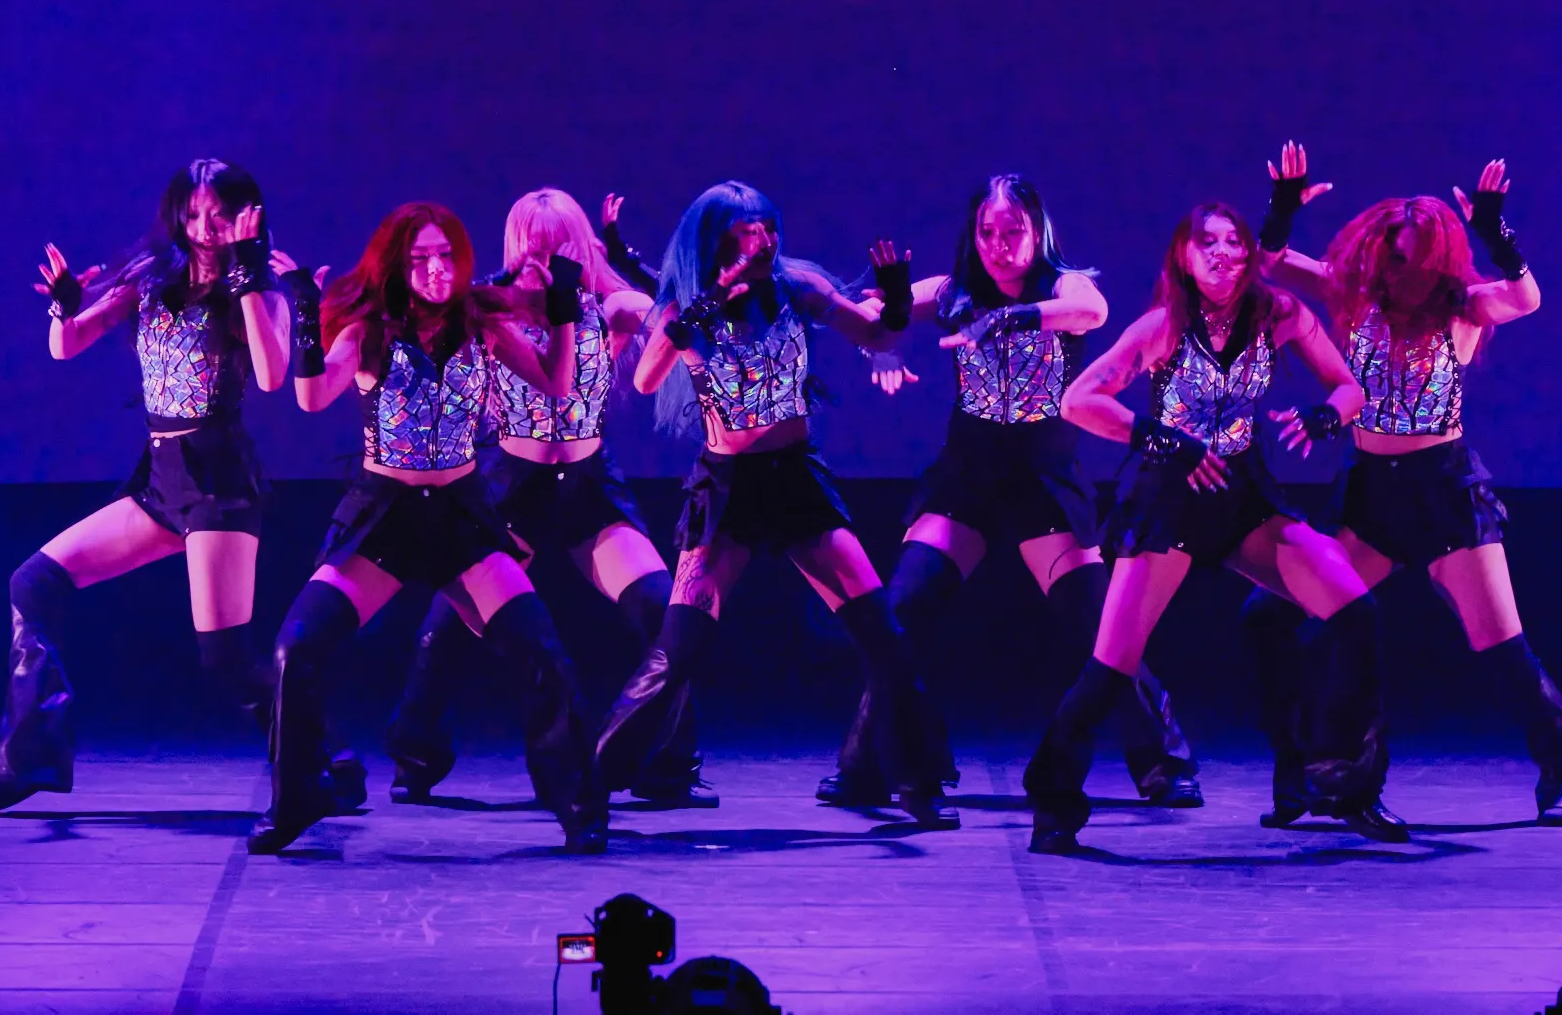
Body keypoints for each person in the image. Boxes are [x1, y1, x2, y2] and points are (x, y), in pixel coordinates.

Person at [1023, 199, 1395, 853]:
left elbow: (1350, 387)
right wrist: (1165, 440)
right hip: (1169, 501)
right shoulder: (1163, 327)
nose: (1223, 253)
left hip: (1244, 496)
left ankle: (1344, 778)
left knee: (1355, 609)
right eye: (1208, 243)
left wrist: (1327, 417)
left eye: (1234, 241)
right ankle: (1052, 796)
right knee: (1112, 664)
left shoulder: (1278, 314)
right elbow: (1079, 400)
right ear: (1184, 256)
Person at [818, 174, 1201, 809]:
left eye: (1013, 231)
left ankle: (1163, 760)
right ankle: (877, 762)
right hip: (966, 476)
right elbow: (866, 316)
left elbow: (1094, 311)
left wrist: (1015, 317)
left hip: (1043, 479)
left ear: (1037, 230)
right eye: (987, 232)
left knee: (1097, 622)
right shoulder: (951, 291)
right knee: (902, 610)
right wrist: (881, 345)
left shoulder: (1064, 287)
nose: (999, 245)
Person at [592, 180, 961, 827]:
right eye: (747, 233)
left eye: (767, 229)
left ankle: (914, 781)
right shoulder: (688, 304)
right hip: (728, 488)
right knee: (678, 649)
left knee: (883, 633)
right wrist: (707, 304)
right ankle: (592, 782)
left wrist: (897, 298)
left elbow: (876, 334)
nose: (763, 242)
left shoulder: (796, 286)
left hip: (794, 480)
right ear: (718, 241)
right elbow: (647, 380)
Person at [245, 202, 609, 855]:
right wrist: (303, 307)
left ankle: (579, 804)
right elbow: (311, 396)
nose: (437, 270)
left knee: (542, 651)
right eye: (419, 260)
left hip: (461, 518)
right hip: (385, 516)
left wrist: (561, 304)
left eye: (446, 256)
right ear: (395, 266)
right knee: (295, 649)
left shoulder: (481, 323)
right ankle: (299, 795)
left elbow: (557, 384)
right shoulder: (369, 331)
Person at [1262, 143, 1562, 825]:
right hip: (1371, 493)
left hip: (1443, 491)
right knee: (1322, 628)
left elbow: (1526, 297)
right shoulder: (1354, 295)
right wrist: (1282, 207)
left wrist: (1495, 232)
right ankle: (1339, 777)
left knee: (1500, 645)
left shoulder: (1464, 307)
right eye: (1397, 256)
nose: (1407, 271)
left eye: (1421, 258)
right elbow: (1272, 262)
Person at [0, 159, 290, 815]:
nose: (205, 227)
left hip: (219, 481)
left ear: (245, 217)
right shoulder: (151, 280)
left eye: (220, 214)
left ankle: (323, 762)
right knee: (33, 583)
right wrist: (64, 303)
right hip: (161, 479)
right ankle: (27, 759)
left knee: (226, 657)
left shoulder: (258, 286)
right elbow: (67, 343)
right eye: (194, 213)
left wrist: (250, 273)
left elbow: (271, 373)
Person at [384, 189, 712, 808]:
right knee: (449, 623)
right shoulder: (491, 310)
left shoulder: (607, 307)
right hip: (514, 486)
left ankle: (667, 764)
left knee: (658, 607)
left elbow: (662, 314)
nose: (545, 255)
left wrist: (630, 263)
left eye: (559, 242)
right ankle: (416, 756)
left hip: (589, 487)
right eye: (533, 244)